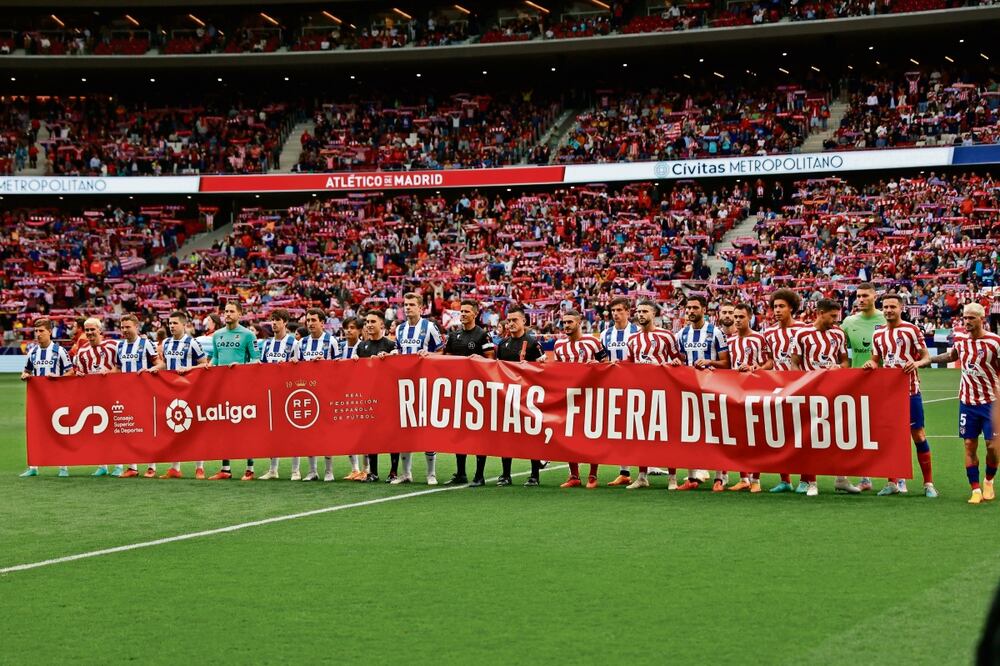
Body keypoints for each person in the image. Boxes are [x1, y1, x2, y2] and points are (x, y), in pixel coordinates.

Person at [863, 293, 937, 498]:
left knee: (918, 435)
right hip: (888, 393)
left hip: (910, 391)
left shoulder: (911, 330)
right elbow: (876, 359)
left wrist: (917, 363)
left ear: (901, 308)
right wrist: (872, 364)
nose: (888, 310)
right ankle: (892, 482)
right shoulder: (878, 334)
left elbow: (925, 357)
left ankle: (928, 483)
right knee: (890, 438)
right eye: (885, 307)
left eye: (892, 307)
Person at [929, 303, 1000, 504]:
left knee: (993, 447)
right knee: (969, 444)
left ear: (982, 319)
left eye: (971, 318)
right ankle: (975, 489)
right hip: (967, 402)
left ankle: (988, 481)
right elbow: (951, 356)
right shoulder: (960, 340)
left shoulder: (995, 342)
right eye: (965, 318)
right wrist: (926, 360)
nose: (966, 322)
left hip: (991, 402)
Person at [790, 299, 858, 497]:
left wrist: (839, 368)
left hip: (834, 392)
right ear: (820, 313)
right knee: (811, 437)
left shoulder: (838, 334)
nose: (835, 321)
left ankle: (841, 479)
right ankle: (812, 482)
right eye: (832, 316)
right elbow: (794, 363)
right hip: (810, 393)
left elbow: (845, 361)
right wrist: (801, 383)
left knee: (839, 436)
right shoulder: (802, 334)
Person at [621, 299, 680, 489]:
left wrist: (672, 365)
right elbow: (627, 365)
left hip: (664, 392)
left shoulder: (667, 336)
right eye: (638, 311)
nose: (641, 314)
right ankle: (642, 476)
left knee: (668, 435)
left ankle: (672, 478)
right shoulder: (631, 339)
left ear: (654, 314)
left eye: (645, 311)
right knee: (641, 435)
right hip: (641, 393)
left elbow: (679, 359)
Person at [674, 295, 730, 491]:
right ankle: (691, 478)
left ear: (704, 310)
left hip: (713, 388)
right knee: (689, 432)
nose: (690, 311)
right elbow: (681, 360)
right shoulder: (681, 334)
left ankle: (719, 477)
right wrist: (676, 364)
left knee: (716, 433)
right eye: (688, 308)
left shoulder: (716, 332)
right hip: (689, 389)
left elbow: (726, 363)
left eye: (695, 308)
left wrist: (709, 362)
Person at [391, 292, 444, 485]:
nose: (407, 308)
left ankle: (431, 474)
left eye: (412, 304)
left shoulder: (429, 326)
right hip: (404, 384)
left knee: (426, 428)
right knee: (405, 429)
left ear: (420, 308)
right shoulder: (400, 329)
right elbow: (398, 350)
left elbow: (440, 350)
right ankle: (406, 474)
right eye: (405, 304)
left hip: (424, 384)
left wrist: (428, 354)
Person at [442, 299, 495, 487]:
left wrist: (478, 359)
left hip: (478, 392)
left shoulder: (482, 335)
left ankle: (479, 475)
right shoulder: (454, 336)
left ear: (475, 314)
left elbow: (492, 360)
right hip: (459, 390)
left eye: (466, 311)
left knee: (479, 434)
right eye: (461, 311)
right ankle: (461, 473)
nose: (462, 314)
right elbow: (445, 361)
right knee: (459, 433)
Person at [554, 309, 608, 489]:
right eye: (564, 322)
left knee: (592, 434)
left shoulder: (593, 342)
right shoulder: (559, 345)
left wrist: (598, 365)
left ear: (579, 323)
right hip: (569, 396)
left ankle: (593, 475)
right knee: (569, 435)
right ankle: (574, 475)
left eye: (570, 322)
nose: (566, 326)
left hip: (592, 395)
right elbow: (556, 370)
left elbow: (608, 365)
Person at [207, 301, 260, 481]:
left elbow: (256, 360)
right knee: (223, 427)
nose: (227, 314)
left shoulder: (248, 335)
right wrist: (210, 365)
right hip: (222, 388)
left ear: (240, 314)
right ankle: (225, 469)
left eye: (231, 311)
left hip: (242, 388)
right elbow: (215, 358)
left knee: (245, 427)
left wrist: (241, 367)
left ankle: (250, 468)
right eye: (225, 311)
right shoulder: (217, 335)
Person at [840, 282, 885, 491]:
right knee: (860, 432)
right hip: (858, 383)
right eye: (858, 296)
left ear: (874, 296)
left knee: (886, 431)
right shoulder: (849, 322)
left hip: (885, 383)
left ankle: (896, 478)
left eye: (865, 295)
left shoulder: (885, 319)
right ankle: (865, 478)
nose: (861, 299)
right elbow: (838, 348)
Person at [494, 306, 546, 486]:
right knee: (506, 435)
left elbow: (542, 369)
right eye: (508, 320)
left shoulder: (532, 343)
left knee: (531, 435)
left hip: (529, 397)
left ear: (524, 321)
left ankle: (534, 475)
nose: (511, 323)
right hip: (507, 396)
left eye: (514, 320)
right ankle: (505, 474)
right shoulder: (502, 344)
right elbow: (496, 369)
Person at [762, 288, 806, 493]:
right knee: (780, 433)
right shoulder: (769, 332)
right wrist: (758, 369)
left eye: (781, 306)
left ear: (792, 308)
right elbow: (771, 360)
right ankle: (785, 479)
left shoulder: (803, 330)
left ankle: (806, 478)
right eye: (774, 307)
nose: (777, 310)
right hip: (777, 388)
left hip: (801, 387)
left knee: (803, 434)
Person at [157, 311, 209, 479]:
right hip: (171, 391)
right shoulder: (166, 343)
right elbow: (165, 363)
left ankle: (199, 467)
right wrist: (154, 369)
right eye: (170, 323)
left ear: (183, 325)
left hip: (191, 390)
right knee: (174, 427)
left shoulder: (192, 343)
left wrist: (188, 369)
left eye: (175, 323)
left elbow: (205, 364)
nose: (171, 326)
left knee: (194, 429)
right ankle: (175, 468)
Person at [19, 317, 73, 478]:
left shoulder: (60, 351)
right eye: (36, 331)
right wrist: (24, 375)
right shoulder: (32, 352)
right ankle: (33, 467)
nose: (38, 334)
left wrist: (57, 377)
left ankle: (63, 467)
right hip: (38, 400)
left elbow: (70, 371)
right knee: (35, 432)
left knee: (59, 432)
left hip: (57, 398)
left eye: (41, 331)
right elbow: (27, 370)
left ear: (49, 332)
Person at [726, 303, 772, 493]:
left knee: (755, 437)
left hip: (756, 392)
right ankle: (743, 478)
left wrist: (755, 369)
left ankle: (756, 480)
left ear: (750, 318)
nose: (737, 320)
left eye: (741, 317)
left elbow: (770, 362)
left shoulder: (759, 339)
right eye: (735, 317)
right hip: (735, 392)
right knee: (738, 437)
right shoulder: (729, 341)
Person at [292, 308, 340, 482]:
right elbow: (295, 367)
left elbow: (340, 367)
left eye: (313, 320)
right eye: (308, 320)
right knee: (308, 432)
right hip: (308, 394)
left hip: (326, 393)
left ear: (322, 322)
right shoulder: (301, 343)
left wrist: (325, 364)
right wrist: (294, 363)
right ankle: (312, 471)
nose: (310, 323)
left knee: (326, 433)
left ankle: (329, 470)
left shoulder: (332, 341)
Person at [73, 317, 120, 477]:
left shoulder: (114, 346)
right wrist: (79, 374)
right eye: (87, 330)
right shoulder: (82, 351)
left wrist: (111, 372)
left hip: (114, 395)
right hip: (94, 397)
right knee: (99, 431)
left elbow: (122, 366)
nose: (90, 333)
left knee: (116, 430)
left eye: (93, 329)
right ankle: (103, 465)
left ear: (100, 330)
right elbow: (80, 372)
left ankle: (119, 465)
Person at [114, 314, 159, 479]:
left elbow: (159, 363)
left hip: (145, 393)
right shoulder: (120, 346)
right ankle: (132, 467)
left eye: (128, 327)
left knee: (147, 430)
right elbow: (118, 369)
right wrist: (105, 374)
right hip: (126, 394)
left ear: (136, 327)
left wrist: (151, 370)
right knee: (128, 430)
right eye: (122, 327)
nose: (124, 330)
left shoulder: (145, 343)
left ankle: (151, 466)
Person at [602, 296, 641, 486]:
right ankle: (624, 471)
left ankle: (645, 469)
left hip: (637, 386)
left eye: (619, 310)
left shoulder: (637, 332)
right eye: (613, 311)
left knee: (639, 427)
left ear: (628, 311)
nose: (616, 314)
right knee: (620, 428)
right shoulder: (605, 334)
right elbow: (601, 360)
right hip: (614, 387)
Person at [356, 310, 397, 482]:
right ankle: (373, 472)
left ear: (382, 324)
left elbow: (397, 366)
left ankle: (393, 471)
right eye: (367, 322)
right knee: (371, 434)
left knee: (391, 435)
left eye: (373, 321)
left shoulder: (390, 345)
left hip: (388, 396)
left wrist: (387, 359)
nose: (369, 324)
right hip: (369, 396)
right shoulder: (362, 346)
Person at [259, 309, 299, 481]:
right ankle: (273, 469)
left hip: (289, 392)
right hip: (271, 393)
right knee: (272, 432)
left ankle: (295, 471)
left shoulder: (294, 342)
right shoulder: (267, 344)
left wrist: (291, 365)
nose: (273, 323)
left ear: (284, 322)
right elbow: (262, 366)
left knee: (293, 432)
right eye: (272, 320)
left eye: (277, 320)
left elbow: (300, 366)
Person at [338, 317, 366, 480]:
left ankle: (366, 469)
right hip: (343, 393)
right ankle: (355, 469)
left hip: (361, 394)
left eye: (352, 328)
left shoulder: (362, 347)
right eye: (346, 328)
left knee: (362, 434)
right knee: (348, 433)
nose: (349, 331)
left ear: (360, 330)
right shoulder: (340, 347)